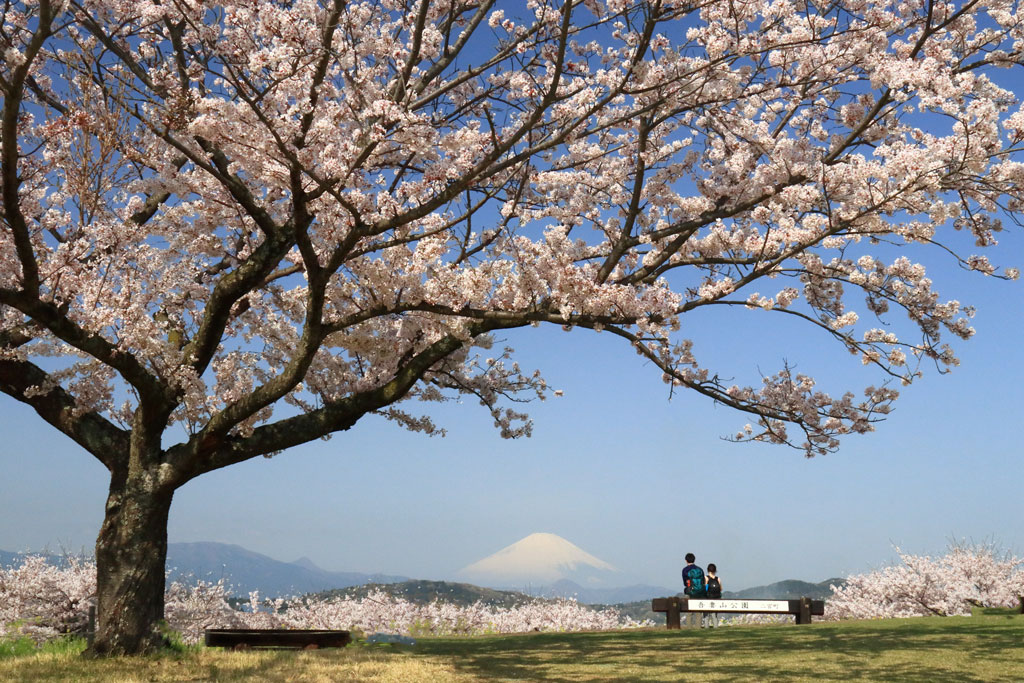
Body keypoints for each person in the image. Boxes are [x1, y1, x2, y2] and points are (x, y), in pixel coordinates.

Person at [681, 552, 706, 628]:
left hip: (690, 591)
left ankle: (689, 628)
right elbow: (703, 581)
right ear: (694, 560)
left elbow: (685, 582)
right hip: (699, 592)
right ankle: (698, 627)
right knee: (698, 612)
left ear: (686, 560)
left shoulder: (685, 570)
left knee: (689, 611)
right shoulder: (700, 569)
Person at [703, 563, 722, 628]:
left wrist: (706, 584)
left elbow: (705, 589)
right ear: (715, 570)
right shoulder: (718, 579)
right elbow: (721, 589)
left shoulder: (706, 578)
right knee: (714, 616)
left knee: (706, 616)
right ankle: (715, 627)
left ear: (708, 570)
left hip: (708, 598)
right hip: (716, 599)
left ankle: (706, 628)